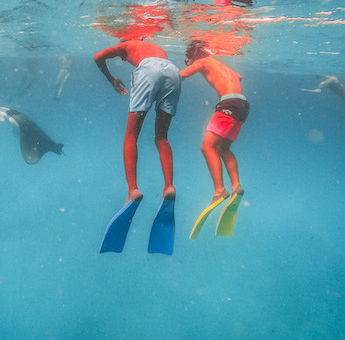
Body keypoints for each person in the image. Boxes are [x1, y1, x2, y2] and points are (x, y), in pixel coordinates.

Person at [95, 39, 181, 254]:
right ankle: (168, 186)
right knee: (161, 137)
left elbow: (98, 56)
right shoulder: (152, 44)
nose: (124, 59)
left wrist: (111, 78)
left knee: (131, 135)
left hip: (148, 70)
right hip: (172, 72)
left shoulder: (125, 45)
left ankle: (133, 190)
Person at [180, 43, 249, 238]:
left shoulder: (201, 62)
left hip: (228, 103)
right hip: (242, 105)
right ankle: (236, 186)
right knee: (224, 148)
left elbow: (180, 76)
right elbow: (238, 77)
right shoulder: (218, 64)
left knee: (207, 147)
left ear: (194, 54)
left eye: (188, 58)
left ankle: (219, 191)